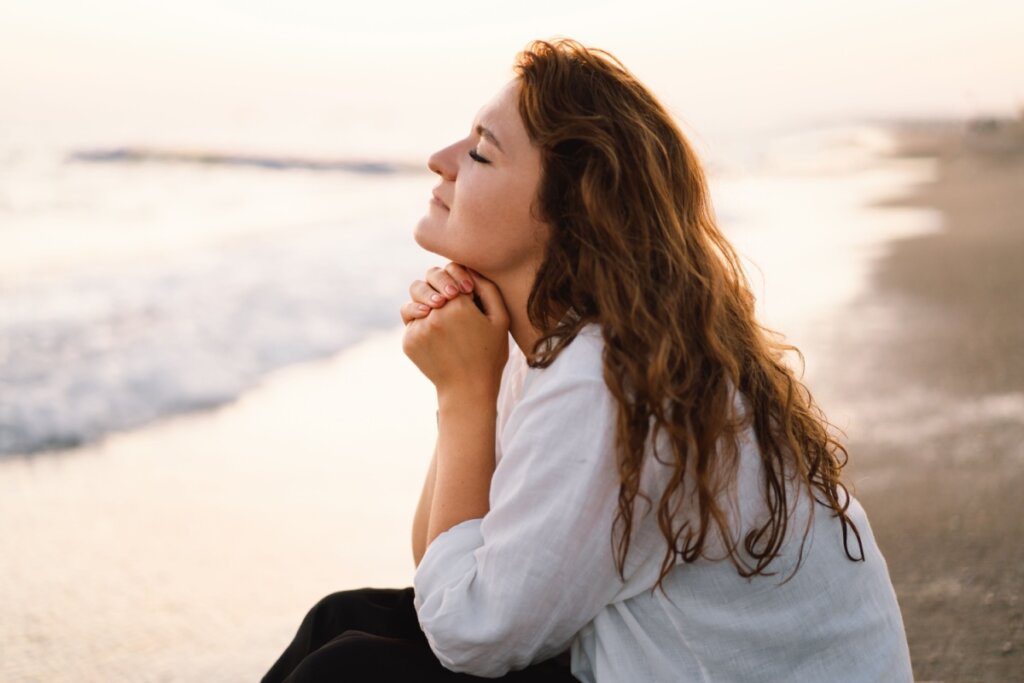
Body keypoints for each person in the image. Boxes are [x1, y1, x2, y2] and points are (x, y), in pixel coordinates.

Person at [261, 38, 913, 682]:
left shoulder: (609, 377)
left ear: (572, 213)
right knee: (339, 620)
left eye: (482, 153)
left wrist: (462, 396)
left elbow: (470, 629)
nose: (441, 160)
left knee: (347, 669)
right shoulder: (575, 342)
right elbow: (446, 572)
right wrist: (469, 384)